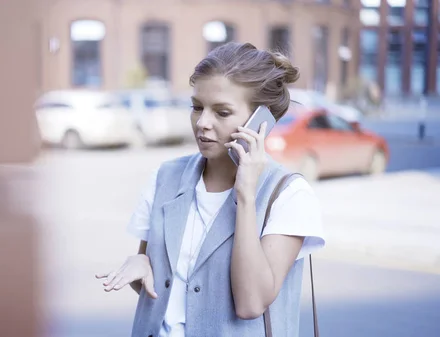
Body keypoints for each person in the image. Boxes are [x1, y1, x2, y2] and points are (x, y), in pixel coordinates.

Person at [95, 42, 326, 337]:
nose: (202, 123)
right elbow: (160, 287)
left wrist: (245, 194)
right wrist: (140, 265)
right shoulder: (164, 177)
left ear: (260, 122)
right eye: (196, 107)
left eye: (222, 112)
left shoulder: (288, 194)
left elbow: (250, 303)